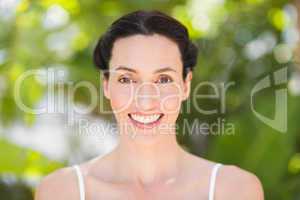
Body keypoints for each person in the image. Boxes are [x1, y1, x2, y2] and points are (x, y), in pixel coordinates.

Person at [35, 10, 264, 200]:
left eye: (163, 79)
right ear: (106, 85)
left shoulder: (234, 190)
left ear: (185, 86)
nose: (146, 101)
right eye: (127, 79)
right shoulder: (62, 192)